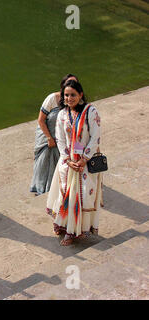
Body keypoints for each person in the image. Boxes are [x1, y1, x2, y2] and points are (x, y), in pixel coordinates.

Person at [46, 80, 103, 246]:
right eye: (66, 95)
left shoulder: (90, 112)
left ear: (81, 95)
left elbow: (95, 137)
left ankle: (75, 231)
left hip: (85, 163)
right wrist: (68, 160)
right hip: (68, 163)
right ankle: (66, 228)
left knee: (82, 196)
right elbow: (60, 138)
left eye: (72, 95)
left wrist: (84, 159)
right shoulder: (63, 115)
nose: (69, 98)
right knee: (66, 196)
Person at [30, 74, 78, 195]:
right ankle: (43, 188)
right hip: (47, 134)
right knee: (44, 162)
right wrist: (49, 138)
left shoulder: (76, 101)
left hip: (63, 137)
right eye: (68, 84)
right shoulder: (52, 98)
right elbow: (41, 120)